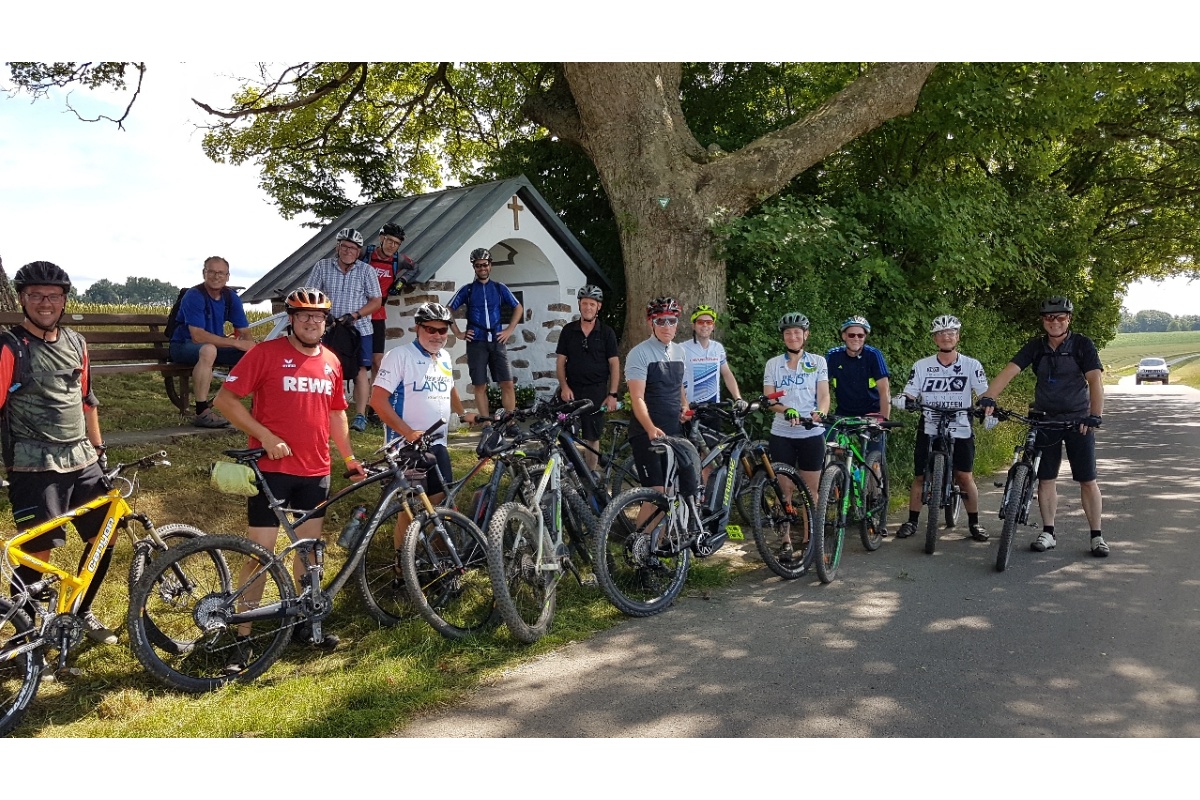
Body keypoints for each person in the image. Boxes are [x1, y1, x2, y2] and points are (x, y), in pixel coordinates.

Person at [212, 287, 366, 658]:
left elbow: (336, 414)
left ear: (325, 322)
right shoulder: (265, 354)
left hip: (315, 472)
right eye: (304, 315)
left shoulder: (331, 361)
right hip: (270, 471)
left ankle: (305, 625)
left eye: (319, 316)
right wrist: (264, 436)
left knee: (309, 554)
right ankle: (243, 636)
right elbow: (224, 400)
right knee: (259, 554)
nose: (312, 321)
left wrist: (348, 458)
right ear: (291, 320)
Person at [1, 261, 115, 644]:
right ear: (23, 299)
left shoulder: (77, 343)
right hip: (34, 465)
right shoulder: (9, 347)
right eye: (36, 295)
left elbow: (88, 400)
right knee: (38, 551)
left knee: (104, 538)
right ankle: (26, 636)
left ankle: (80, 613)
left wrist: (100, 452)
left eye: (53, 296)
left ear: (65, 299)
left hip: (83, 460)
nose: (45, 303)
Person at [978, 296, 1108, 557]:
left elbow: (1094, 380)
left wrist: (1094, 415)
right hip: (1044, 419)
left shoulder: (1082, 345)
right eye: (1050, 318)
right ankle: (1048, 531)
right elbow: (1010, 371)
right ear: (1043, 321)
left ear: (1069, 319)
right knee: (1046, 479)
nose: (1055, 322)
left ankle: (1097, 536)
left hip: (1077, 420)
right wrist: (988, 397)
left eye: (1060, 317)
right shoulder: (1036, 347)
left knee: (1087, 479)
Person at [370, 302, 477, 560]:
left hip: (438, 445)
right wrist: (407, 433)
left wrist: (462, 413)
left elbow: (449, 386)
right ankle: (400, 566)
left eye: (443, 330)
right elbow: (377, 400)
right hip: (405, 448)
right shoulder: (400, 356)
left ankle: (442, 562)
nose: (437, 335)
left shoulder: (444, 357)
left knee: (441, 505)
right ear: (418, 328)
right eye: (430, 329)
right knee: (409, 511)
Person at [891, 315, 991, 543]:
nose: (946, 337)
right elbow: (910, 391)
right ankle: (912, 521)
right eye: (941, 334)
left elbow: (984, 393)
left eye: (951, 333)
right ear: (935, 339)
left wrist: (987, 407)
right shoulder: (922, 365)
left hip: (961, 424)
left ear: (957, 336)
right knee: (920, 475)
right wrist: (903, 399)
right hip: (929, 423)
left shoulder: (971, 365)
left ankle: (975, 523)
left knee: (964, 476)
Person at [762, 312, 829, 558]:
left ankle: (812, 540)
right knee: (784, 489)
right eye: (788, 333)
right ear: (783, 337)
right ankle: (786, 541)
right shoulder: (773, 364)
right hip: (782, 433)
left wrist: (820, 413)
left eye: (797, 333)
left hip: (811, 433)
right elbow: (769, 399)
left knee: (811, 491)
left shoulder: (818, 362)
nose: (793, 336)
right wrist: (784, 409)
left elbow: (824, 395)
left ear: (805, 335)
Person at [305, 227, 382, 432]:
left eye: (353, 248)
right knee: (324, 368)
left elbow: (376, 301)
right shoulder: (322, 267)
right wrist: (323, 312)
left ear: (359, 252)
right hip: (330, 327)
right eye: (345, 246)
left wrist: (355, 315)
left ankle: (360, 415)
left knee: (360, 370)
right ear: (337, 247)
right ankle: (323, 410)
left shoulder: (367, 271)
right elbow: (311, 293)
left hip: (359, 328)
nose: (348, 251)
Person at [168, 256, 255, 428]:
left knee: (257, 354)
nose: (216, 276)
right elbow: (197, 336)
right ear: (204, 273)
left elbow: (245, 332)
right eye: (212, 272)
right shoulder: (194, 295)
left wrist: (250, 347)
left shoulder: (231, 297)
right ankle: (202, 412)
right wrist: (236, 343)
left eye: (221, 273)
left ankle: (253, 408)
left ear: (227, 276)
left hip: (214, 347)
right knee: (208, 350)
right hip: (182, 346)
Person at [448, 248, 523, 418]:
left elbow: (518, 307)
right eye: (478, 266)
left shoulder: (499, 287)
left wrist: (509, 330)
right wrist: (458, 333)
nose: (482, 268)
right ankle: (487, 423)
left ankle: (509, 421)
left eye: (485, 265)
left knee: (507, 383)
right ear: (474, 267)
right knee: (480, 385)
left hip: (497, 340)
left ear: (490, 265)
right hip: (477, 343)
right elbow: (448, 309)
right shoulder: (467, 289)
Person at [624, 297, 688, 492]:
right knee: (656, 494)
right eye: (660, 321)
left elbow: (679, 386)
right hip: (647, 434)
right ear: (650, 323)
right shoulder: (639, 353)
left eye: (672, 320)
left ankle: (670, 525)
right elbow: (637, 398)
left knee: (674, 491)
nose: (666, 326)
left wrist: (685, 405)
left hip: (674, 431)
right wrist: (650, 428)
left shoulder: (680, 351)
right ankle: (645, 524)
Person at [555, 285, 620, 471]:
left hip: (596, 390)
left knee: (593, 435)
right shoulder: (568, 331)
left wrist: (613, 394)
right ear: (579, 305)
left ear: (598, 306)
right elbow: (560, 362)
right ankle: (568, 473)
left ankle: (591, 474)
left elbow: (614, 364)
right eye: (585, 303)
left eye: (592, 304)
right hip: (572, 389)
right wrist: (564, 386)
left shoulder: (607, 333)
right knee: (566, 433)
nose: (588, 307)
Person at [362, 222, 418, 382]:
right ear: (381, 238)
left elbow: (415, 267)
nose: (392, 246)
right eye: (389, 241)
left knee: (377, 361)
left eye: (397, 243)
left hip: (378, 315)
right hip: (358, 313)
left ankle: (374, 403)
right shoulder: (366, 253)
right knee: (357, 360)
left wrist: (401, 282)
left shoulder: (398, 260)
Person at [826, 314, 891, 421]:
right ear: (844, 336)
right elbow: (821, 386)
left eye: (860, 335)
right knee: (829, 437)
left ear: (865, 337)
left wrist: (884, 421)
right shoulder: (833, 356)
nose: (856, 338)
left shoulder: (873, 355)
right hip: (843, 415)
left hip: (871, 415)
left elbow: (884, 391)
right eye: (851, 335)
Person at [681, 304, 744, 408]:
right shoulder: (682, 349)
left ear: (713, 326)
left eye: (709, 322)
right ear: (693, 326)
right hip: (690, 408)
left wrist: (738, 398)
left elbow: (727, 374)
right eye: (700, 322)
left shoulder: (718, 348)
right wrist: (683, 405)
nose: (705, 325)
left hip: (713, 408)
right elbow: (676, 380)